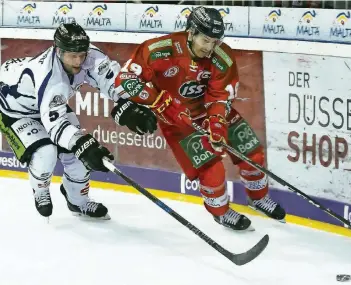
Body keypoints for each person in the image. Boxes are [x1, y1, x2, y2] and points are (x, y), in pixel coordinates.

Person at [111, 6, 286, 231]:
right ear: (191, 32)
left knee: (251, 151)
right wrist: (157, 101)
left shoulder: (222, 58)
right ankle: (221, 212)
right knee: (212, 171)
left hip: (210, 112)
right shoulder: (159, 50)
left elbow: (219, 98)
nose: (211, 48)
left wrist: (217, 126)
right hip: (177, 122)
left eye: (215, 41)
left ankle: (259, 198)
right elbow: (123, 80)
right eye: (206, 40)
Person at [0, 22, 157, 219]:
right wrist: (81, 143)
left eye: (82, 54)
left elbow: (112, 80)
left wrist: (127, 102)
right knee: (46, 153)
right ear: (58, 51)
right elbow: (54, 126)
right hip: (15, 112)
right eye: (72, 55)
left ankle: (78, 201)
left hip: (47, 105)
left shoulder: (89, 56)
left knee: (79, 159)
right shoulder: (49, 77)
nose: (78, 61)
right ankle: (41, 190)